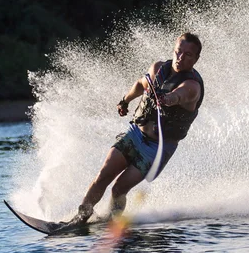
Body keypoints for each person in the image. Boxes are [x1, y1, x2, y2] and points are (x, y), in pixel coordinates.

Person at [68, 32, 204, 225]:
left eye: (188, 55)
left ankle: (113, 222)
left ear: (196, 59)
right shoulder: (158, 69)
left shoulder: (192, 86)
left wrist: (167, 99)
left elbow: (179, 95)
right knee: (103, 175)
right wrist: (125, 101)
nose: (180, 58)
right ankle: (80, 218)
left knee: (118, 189)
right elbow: (141, 85)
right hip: (135, 134)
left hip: (156, 149)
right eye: (178, 52)